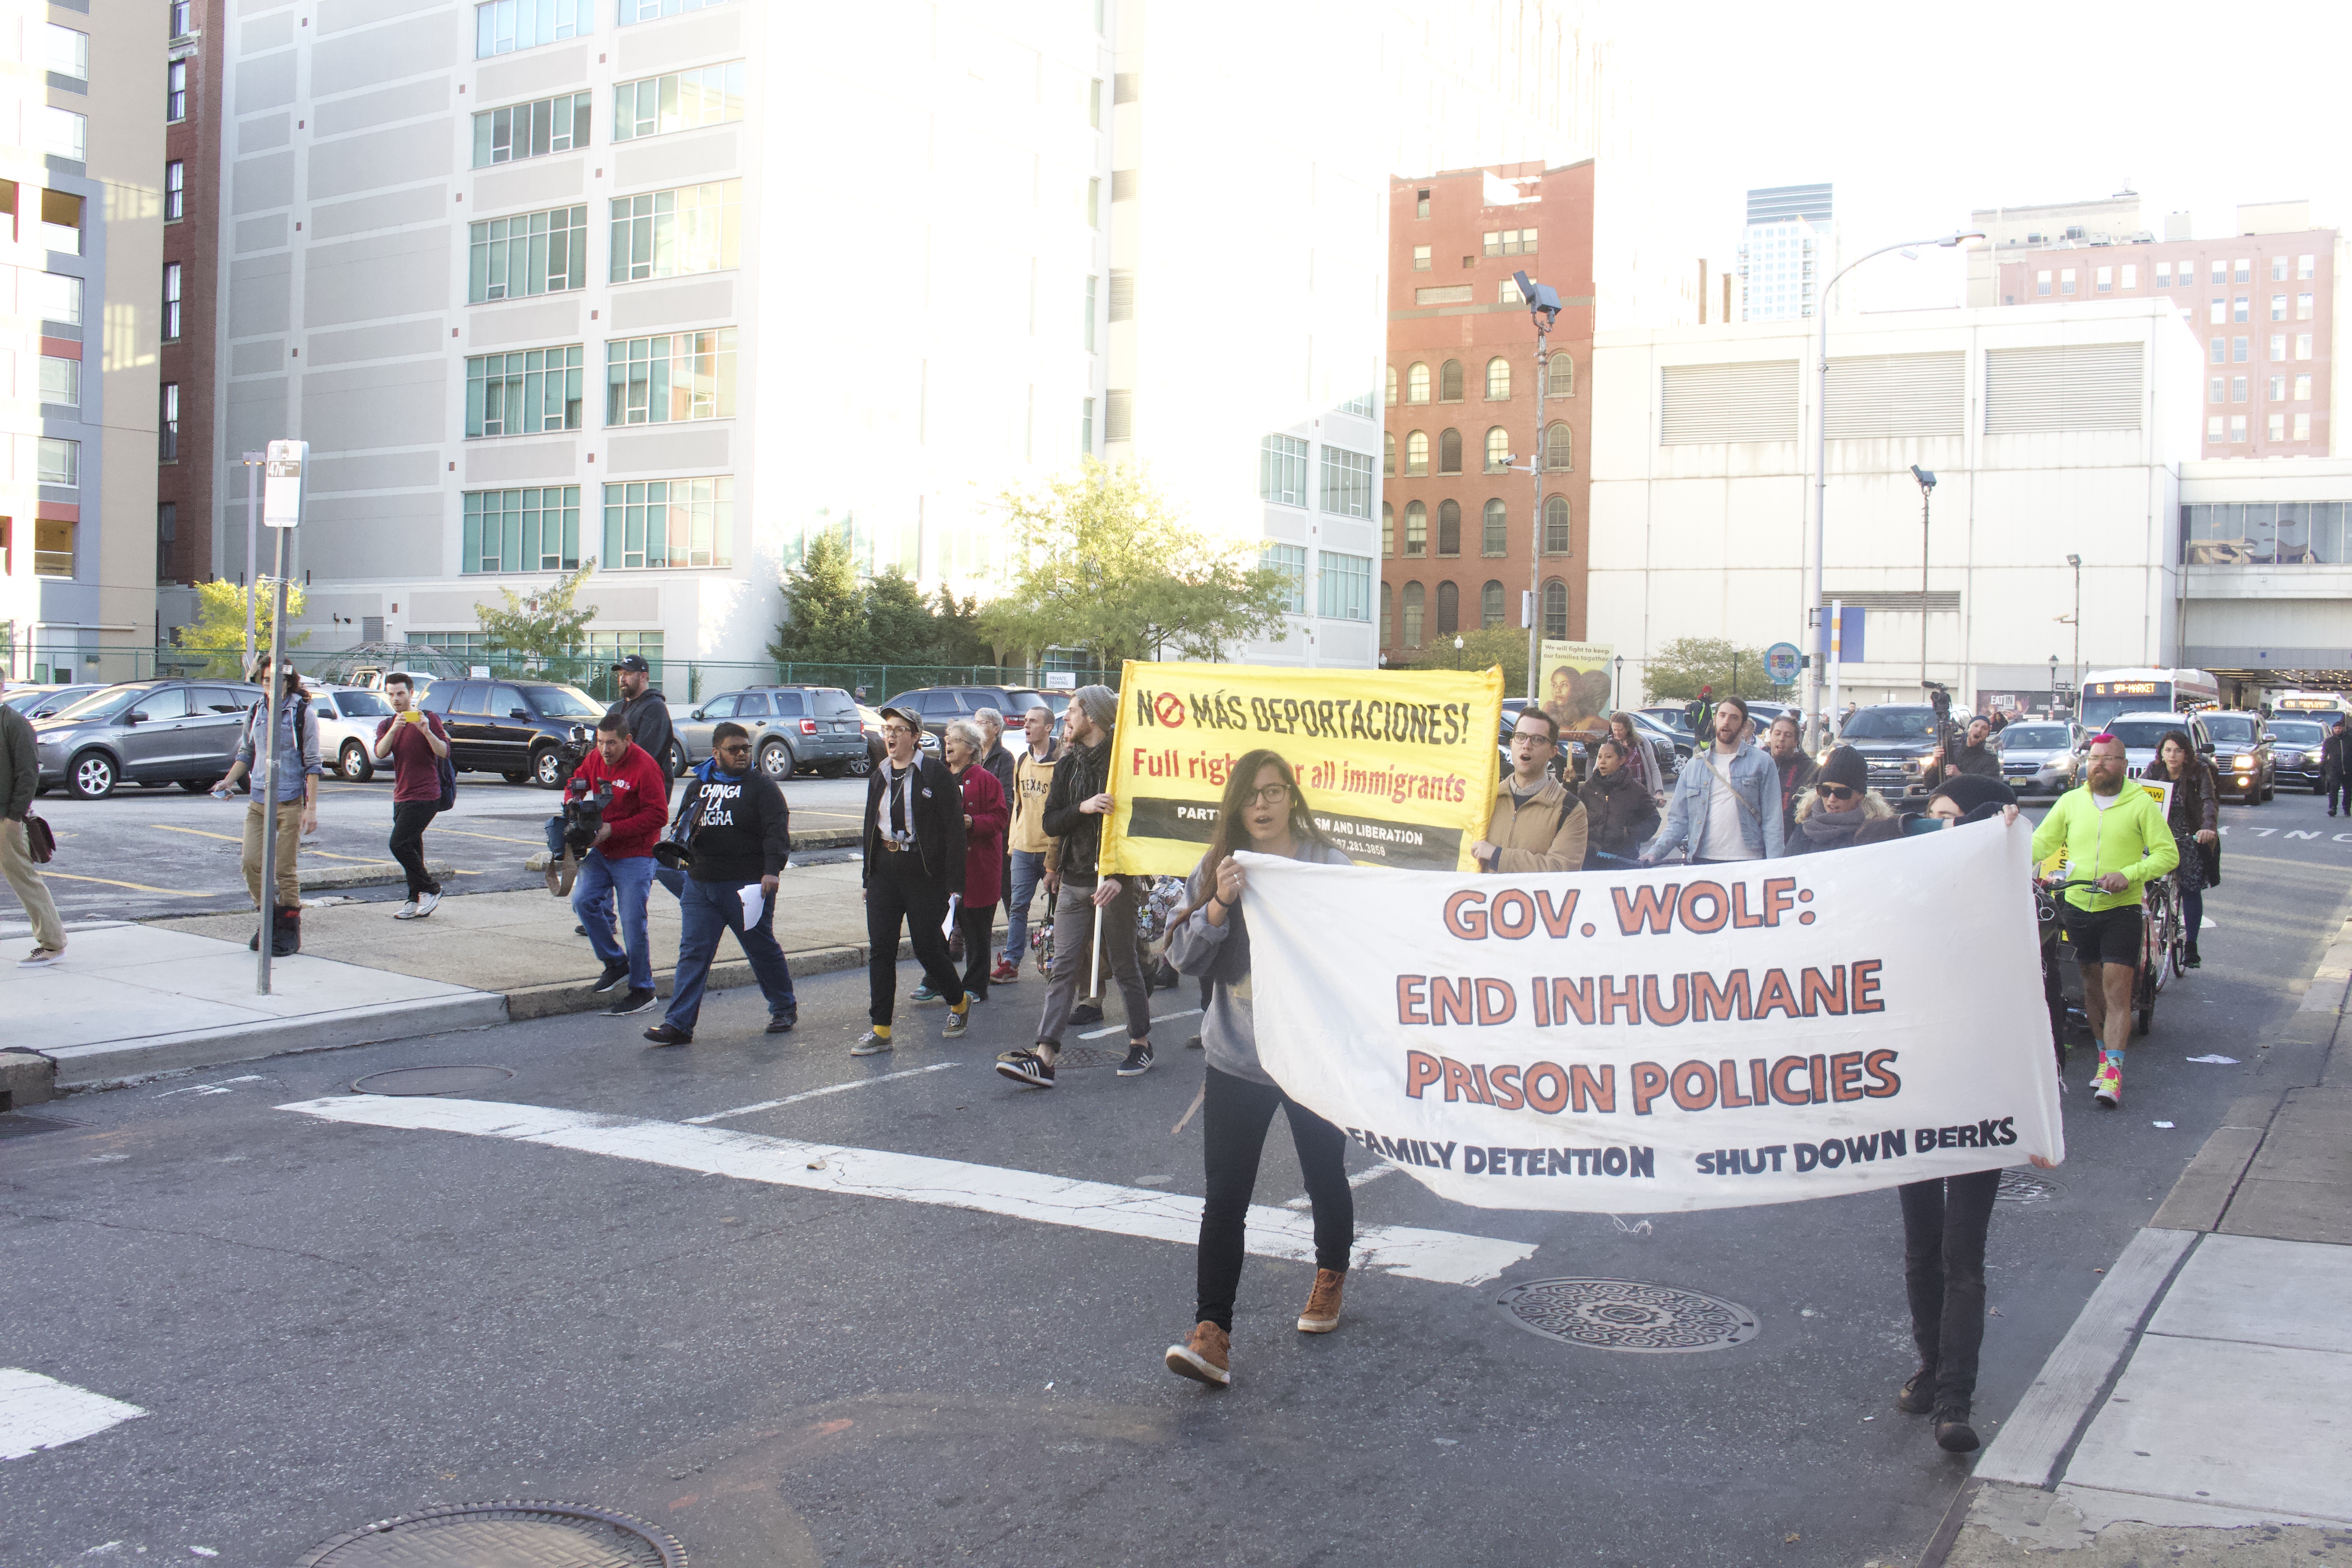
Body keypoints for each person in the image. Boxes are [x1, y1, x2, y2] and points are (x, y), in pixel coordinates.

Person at [1163, 750, 1355, 1388]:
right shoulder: (1219, 866)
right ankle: (1211, 1333)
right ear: (1237, 805)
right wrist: (1217, 906)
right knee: (1225, 1200)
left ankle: (1330, 1275)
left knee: (1325, 1174)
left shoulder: (1328, 867)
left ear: (1292, 800)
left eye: (1276, 792)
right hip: (1237, 1060)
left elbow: (1362, 946)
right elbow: (1182, 957)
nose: (1265, 805)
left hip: (1309, 1058)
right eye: (1252, 795)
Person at [995, 684, 1152, 1087]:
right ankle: (1045, 1055)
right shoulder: (1067, 765)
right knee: (1063, 966)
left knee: (1123, 963)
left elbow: (1141, 830)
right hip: (1074, 880)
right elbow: (1051, 823)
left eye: (1073, 710)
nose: (1066, 717)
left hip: (1112, 883)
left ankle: (1140, 1042)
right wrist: (1082, 809)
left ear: (1094, 717)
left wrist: (1121, 878)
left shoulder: (1122, 765)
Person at [2029, 734, 2177, 1108]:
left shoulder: (2141, 804)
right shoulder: (2071, 802)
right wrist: (2002, 843)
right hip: (2077, 907)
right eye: (2095, 758)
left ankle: (2113, 1072)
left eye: (2109, 759)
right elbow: (2040, 845)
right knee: (2092, 988)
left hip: (2121, 910)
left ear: (2123, 765)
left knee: (2117, 990)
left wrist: (2129, 873)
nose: (2100, 765)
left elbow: (2167, 854)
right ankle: (2101, 1058)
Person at [642, 722, 797, 1045]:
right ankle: (679, 1024)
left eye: (746, 749)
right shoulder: (699, 785)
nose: (742, 754)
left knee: (760, 948)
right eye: (733, 749)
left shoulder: (762, 787)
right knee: (693, 954)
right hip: (701, 883)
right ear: (716, 753)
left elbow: (776, 831)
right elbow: (680, 828)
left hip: (747, 886)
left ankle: (783, 1007)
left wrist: (773, 870)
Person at [857, 705, 972, 1054]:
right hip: (885, 871)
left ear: (916, 737)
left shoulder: (935, 775)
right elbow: (869, 829)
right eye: (887, 729)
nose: (891, 736)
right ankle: (881, 1029)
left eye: (899, 729)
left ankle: (959, 1002)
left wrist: (955, 884)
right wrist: (867, 877)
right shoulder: (879, 775)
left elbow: (954, 831)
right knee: (881, 950)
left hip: (924, 874)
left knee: (927, 947)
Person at [213, 656, 321, 956]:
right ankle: (269, 919)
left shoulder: (303, 714)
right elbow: (247, 752)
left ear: (289, 681)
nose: (270, 686)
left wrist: (310, 809)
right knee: (251, 864)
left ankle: (289, 927)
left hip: (289, 802)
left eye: (277, 680)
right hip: (259, 801)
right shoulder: (256, 710)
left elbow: (313, 764)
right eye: (265, 681)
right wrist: (227, 782)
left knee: (284, 869)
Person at [570, 711, 670, 1016]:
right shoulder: (597, 759)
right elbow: (578, 781)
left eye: (612, 743)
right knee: (583, 901)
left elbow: (659, 815)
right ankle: (616, 963)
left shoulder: (645, 766)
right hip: (603, 849)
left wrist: (615, 829)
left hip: (636, 854)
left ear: (628, 740)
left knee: (631, 922)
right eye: (600, 742)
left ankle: (643, 989)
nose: (605, 750)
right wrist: (573, 805)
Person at [1643, 696, 1786, 864]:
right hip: (1702, 860)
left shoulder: (1762, 762)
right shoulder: (1695, 766)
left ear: (1744, 724)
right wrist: (1654, 854)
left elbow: (1773, 820)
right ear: (1715, 719)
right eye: (1723, 716)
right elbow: (1679, 821)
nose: (1727, 722)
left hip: (1749, 861)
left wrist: (1776, 866)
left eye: (1734, 718)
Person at [926, 718, 1008, 1005]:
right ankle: (935, 980)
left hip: (978, 868)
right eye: (947, 738)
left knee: (976, 932)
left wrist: (972, 822)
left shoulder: (986, 780)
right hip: (945, 868)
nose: (948, 743)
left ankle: (975, 985)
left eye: (956, 739)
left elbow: (1000, 818)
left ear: (972, 748)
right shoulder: (938, 776)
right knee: (939, 927)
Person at [371, 672, 449, 920]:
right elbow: (380, 753)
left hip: (427, 793)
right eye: (391, 694)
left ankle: (430, 889)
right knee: (413, 846)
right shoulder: (387, 725)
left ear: (411, 693)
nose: (396, 699)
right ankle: (414, 898)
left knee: (399, 844)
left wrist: (426, 731)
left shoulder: (429, 719)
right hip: (401, 794)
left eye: (401, 694)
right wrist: (395, 727)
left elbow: (444, 752)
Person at [1470, 707, 1587, 872]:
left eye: (1538, 740)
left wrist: (1498, 856)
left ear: (1553, 752)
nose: (1526, 745)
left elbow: (1561, 870)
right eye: (1520, 737)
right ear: (1511, 745)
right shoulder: (1487, 799)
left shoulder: (1570, 810)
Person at [0, 674, 65, 967]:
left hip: (6, 817)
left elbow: (28, 773)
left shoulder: (14, 723)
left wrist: (14, 817)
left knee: (24, 878)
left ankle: (53, 944)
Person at [2140, 729, 2219, 969]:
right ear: (2161, 753)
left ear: (2187, 754)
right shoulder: (2154, 771)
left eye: (2178, 751)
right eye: (2168, 750)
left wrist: (2207, 828)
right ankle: (2157, 908)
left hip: (2190, 836)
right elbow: (2136, 798)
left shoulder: (2199, 773)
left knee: (2191, 887)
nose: (2172, 756)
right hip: (2160, 837)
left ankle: (2191, 946)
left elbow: (2208, 802)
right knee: (2145, 875)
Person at [996, 705, 1060, 985]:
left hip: (1051, 849)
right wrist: (1013, 842)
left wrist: (1055, 861)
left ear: (1048, 727)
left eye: (1033, 721)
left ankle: (1060, 961)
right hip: (1023, 846)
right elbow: (1018, 806)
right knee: (1017, 906)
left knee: (1059, 911)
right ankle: (1011, 962)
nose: (1026, 726)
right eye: (1025, 721)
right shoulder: (1021, 760)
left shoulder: (1062, 761)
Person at [1579, 736, 1661, 868]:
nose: (1602, 762)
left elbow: (1654, 820)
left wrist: (1629, 833)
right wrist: (1569, 785)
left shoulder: (1636, 790)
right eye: (1600, 757)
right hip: (1590, 861)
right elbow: (1572, 816)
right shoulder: (1588, 788)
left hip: (1624, 861)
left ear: (1621, 760)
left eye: (1608, 757)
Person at [607, 654, 675, 779]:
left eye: (627, 674)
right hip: (616, 786)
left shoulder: (655, 708)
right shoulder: (616, 709)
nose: (622, 679)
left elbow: (645, 755)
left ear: (644, 677)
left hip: (645, 790)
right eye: (620, 675)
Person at [1764, 712, 1816, 833]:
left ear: (1795, 741)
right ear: (1770, 736)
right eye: (1777, 734)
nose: (1781, 739)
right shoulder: (1760, 764)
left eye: (1787, 735)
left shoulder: (1809, 770)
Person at [1606, 711, 1662, 801]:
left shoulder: (1641, 742)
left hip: (1642, 795)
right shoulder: (1608, 744)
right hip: (1618, 797)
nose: (1617, 733)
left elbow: (1653, 768)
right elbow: (1598, 768)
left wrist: (1659, 792)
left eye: (1621, 730)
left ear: (1628, 728)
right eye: (1614, 729)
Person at [1930, 717, 2001, 787]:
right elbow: (1929, 784)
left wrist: (1960, 776)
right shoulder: (1950, 749)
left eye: (1984, 728)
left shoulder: (1990, 759)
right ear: (1968, 729)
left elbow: (1990, 787)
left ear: (1988, 733)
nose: (1979, 730)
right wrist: (1936, 763)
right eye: (1976, 726)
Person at [2325, 718, 2350, 817]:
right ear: (2333, 730)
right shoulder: (2329, 741)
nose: (2338, 730)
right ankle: (2333, 808)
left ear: (2343, 729)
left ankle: (2347, 809)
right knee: (2334, 790)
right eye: (2336, 728)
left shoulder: (2350, 739)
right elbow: (2324, 755)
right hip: (2335, 770)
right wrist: (2324, 769)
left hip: (2349, 770)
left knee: (2348, 791)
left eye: (2339, 728)